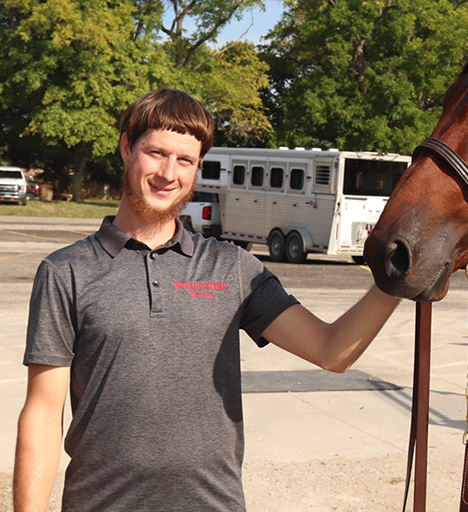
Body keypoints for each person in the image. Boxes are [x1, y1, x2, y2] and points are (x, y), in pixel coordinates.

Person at [14, 89, 402, 512]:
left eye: (185, 160)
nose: (168, 173)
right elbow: (43, 415)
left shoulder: (231, 267)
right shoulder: (66, 271)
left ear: (199, 167)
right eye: (156, 153)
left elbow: (332, 351)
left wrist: (395, 280)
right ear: (127, 147)